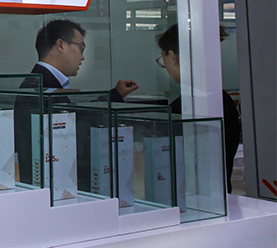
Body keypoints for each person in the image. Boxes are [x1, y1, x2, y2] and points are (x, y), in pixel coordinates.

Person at [15, 19, 140, 183]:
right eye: (81, 47)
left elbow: (76, 115)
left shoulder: (40, 83)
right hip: (56, 181)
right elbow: (77, 127)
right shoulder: (45, 87)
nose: (82, 56)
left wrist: (115, 95)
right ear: (61, 45)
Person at [157, 24, 241, 193]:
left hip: (193, 196)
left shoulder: (189, 104)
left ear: (172, 57)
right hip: (218, 194)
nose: (164, 65)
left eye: (162, 58)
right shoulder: (220, 99)